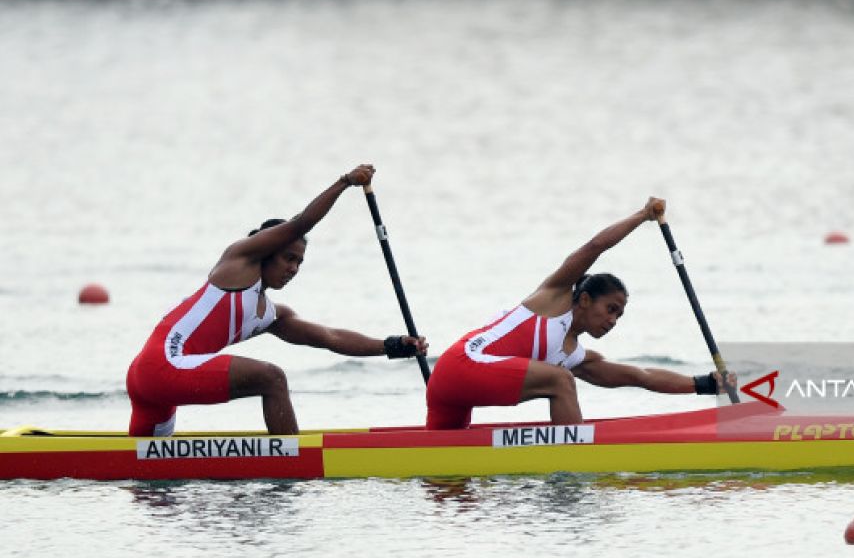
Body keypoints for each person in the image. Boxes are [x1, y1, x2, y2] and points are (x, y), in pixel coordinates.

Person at [125, 164, 427, 437]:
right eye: (288, 258)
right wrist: (345, 182)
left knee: (147, 480)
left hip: (151, 382)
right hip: (163, 367)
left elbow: (330, 338)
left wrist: (395, 345)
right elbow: (301, 223)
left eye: (299, 262)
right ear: (266, 250)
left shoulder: (271, 315)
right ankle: (293, 467)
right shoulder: (237, 264)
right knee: (272, 378)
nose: (293, 269)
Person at [425, 196, 734, 429]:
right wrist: (642, 216)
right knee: (560, 381)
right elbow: (594, 248)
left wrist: (705, 384)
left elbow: (641, 376)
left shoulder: (575, 357)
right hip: (463, 363)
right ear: (584, 299)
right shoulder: (553, 299)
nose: (613, 321)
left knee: (445, 479)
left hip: (448, 387)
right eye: (610, 309)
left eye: (619, 316)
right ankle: (573, 469)